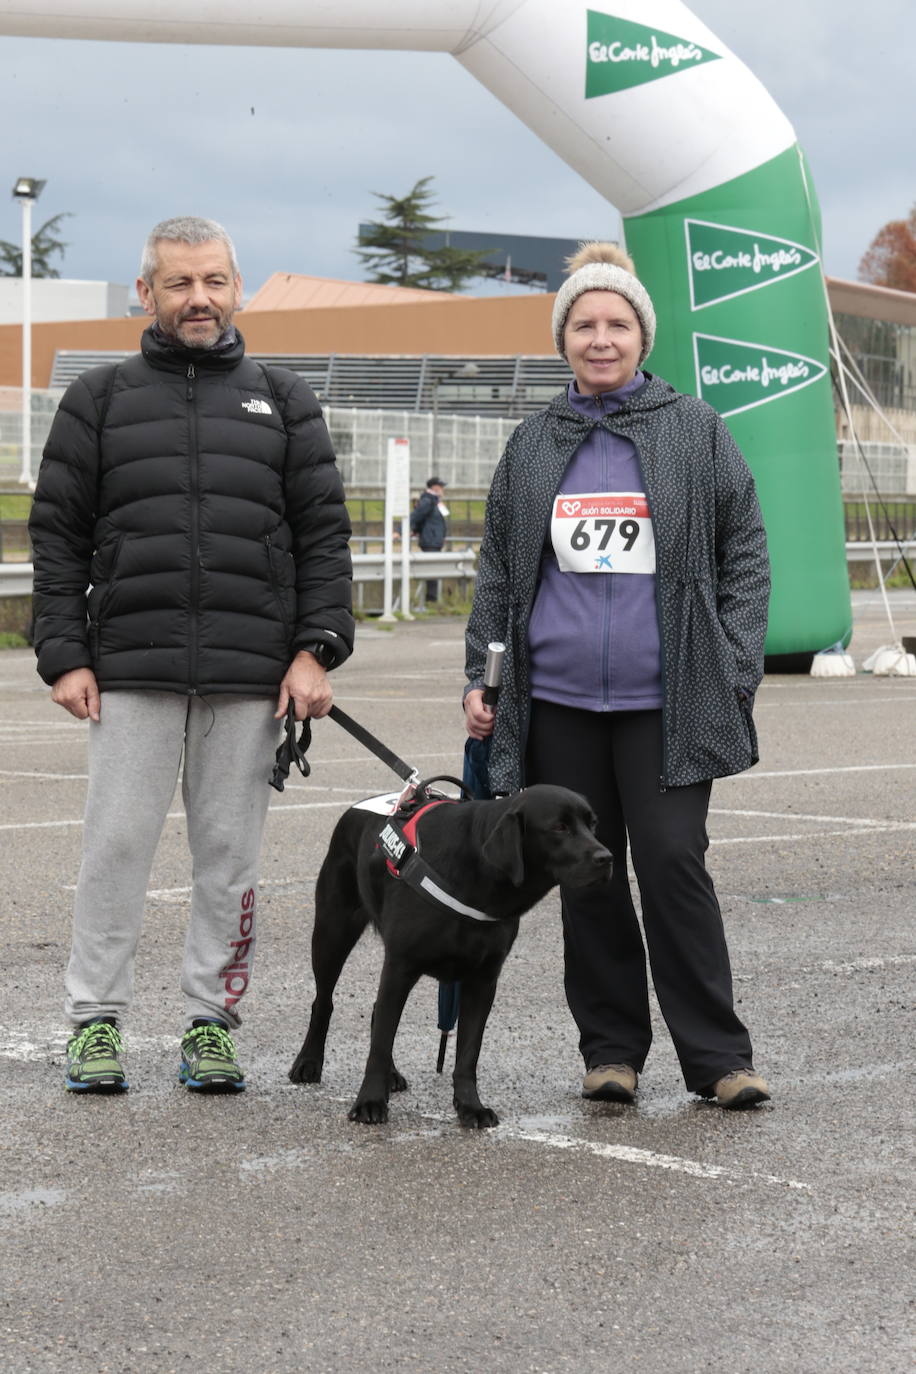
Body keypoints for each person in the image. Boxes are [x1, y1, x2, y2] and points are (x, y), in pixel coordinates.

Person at [28, 216, 354, 1096]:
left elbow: (325, 538)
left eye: (213, 281)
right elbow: (56, 539)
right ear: (147, 293)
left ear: (237, 287)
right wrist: (63, 654)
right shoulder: (97, 400)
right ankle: (95, 1024)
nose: (198, 299)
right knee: (115, 850)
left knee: (230, 860)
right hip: (128, 669)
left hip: (252, 679)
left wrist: (315, 650)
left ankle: (212, 1026)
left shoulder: (285, 400)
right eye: (179, 284)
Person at [463, 242, 771, 1110]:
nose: (602, 339)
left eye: (618, 324)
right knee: (587, 879)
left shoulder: (694, 429)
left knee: (674, 865)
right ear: (564, 340)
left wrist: (734, 666)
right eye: (585, 325)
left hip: (667, 704)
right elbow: (498, 571)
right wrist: (484, 674)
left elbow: (745, 552)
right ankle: (610, 1052)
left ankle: (718, 1059)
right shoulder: (533, 443)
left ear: (644, 335)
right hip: (557, 701)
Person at [410, 475, 449, 604]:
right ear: (435, 487)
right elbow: (416, 516)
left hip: (434, 540)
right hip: (430, 540)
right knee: (432, 570)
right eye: (441, 487)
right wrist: (402, 531)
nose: (443, 489)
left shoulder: (435, 501)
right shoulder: (428, 501)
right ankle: (431, 599)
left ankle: (431, 598)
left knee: (434, 570)